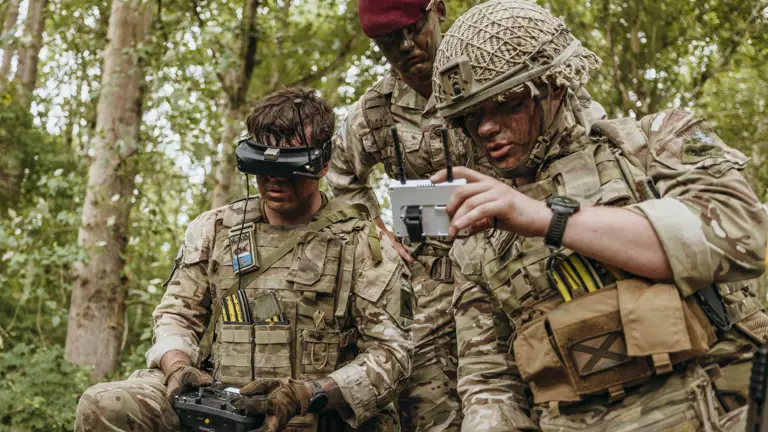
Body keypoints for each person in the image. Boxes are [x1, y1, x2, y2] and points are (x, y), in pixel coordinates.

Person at [427, 1, 768, 431]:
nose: (485, 128)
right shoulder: (480, 227)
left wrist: (546, 218)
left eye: (505, 103)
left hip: (720, 410)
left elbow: (741, 238)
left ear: (554, 86)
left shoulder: (654, 143)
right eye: (470, 117)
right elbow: (489, 380)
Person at [327, 1, 607, 430]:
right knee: (430, 405)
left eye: (413, 28)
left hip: (523, 253)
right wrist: (374, 230)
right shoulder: (376, 111)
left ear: (437, 9)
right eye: (388, 40)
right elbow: (342, 170)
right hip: (434, 275)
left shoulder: (501, 64)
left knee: (557, 376)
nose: (405, 46)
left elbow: (582, 131)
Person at [74, 88, 414, 432]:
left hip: (318, 413)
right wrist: (178, 366)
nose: (275, 179)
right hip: (223, 405)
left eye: (290, 165)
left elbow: (391, 356)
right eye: (263, 165)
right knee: (106, 405)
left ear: (323, 162)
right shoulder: (215, 229)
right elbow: (176, 315)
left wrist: (307, 394)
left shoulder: (361, 243)